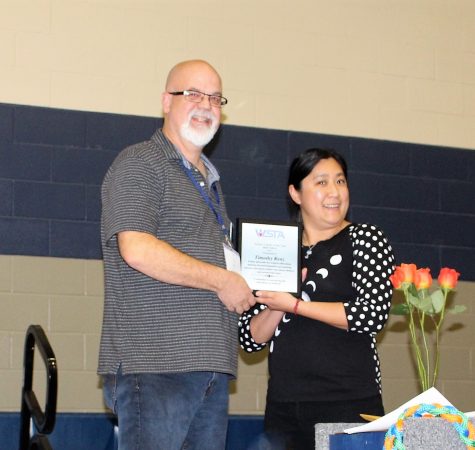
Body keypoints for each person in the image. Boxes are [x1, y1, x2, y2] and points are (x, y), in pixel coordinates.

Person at [98, 59, 256, 450]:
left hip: (210, 368)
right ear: (166, 101)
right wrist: (222, 279)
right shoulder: (141, 162)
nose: (206, 105)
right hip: (156, 366)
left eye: (215, 98)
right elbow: (135, 247)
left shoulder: (210, 181)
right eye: (194, 94)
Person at [239, 148, 395, 450]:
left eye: (340, 181)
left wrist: (297, 305)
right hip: (284, 407)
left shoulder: (365, 238)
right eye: (321, 182)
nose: (334, 192)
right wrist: (279, 303)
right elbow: (249, 338)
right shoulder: (277, 247)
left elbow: (372, 314)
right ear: (295, 193)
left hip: (347, 402)